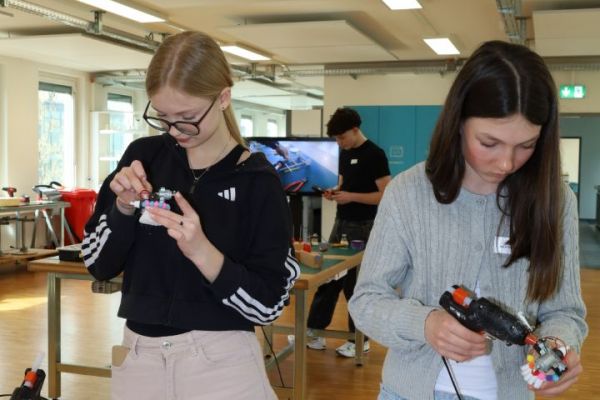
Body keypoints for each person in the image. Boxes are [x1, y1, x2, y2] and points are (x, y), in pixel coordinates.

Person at [348, 40, 587, 400]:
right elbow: (366, 301)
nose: (506, 163)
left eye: (526, 145)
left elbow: (565, 311)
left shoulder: (556, 201)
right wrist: (425, 324)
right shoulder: (409, 192)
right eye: (489, 143)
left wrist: (559, 345)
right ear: (458, 122)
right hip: (408, 391)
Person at [82, 31, 299, 400]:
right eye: (163, 117)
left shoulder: (256, 180)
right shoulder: (143, 157)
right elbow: (97, 263)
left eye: (187, 117)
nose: (175, 130)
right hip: (139, 357)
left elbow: (268, 305)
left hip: (223, 363)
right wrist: (122, 209)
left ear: (223, 98)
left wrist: (203, 252)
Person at [303, 107, 391, 358]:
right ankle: (314, 332)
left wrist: (350, 196)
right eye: (336, 139)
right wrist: (334, 192)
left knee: (354, 285)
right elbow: (344, 185)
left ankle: (360, 340)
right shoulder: (345, 154)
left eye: (342, 137)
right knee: (328, 278)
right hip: (341, 223)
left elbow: (386, 195)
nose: (339, 143)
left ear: (355, 130)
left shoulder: (375, 154)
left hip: (363, 226)